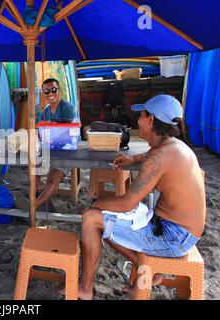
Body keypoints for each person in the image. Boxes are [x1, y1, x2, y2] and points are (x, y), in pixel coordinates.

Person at [78, 94, 206, 300]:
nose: (138, 119)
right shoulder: (174, 147)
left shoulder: (158, 157)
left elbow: (127, 202)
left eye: (141, 115)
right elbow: (153, 156)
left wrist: (96, 204)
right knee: (107, 222)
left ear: (151, 120)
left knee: (91, 218)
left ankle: (85, 288)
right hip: (184, 231)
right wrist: (133, 158)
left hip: (173, 237)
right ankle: (145, 267)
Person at [35, 77, 78, 209]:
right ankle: (43, 193)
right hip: (50, 151)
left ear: (60, 91)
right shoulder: (45, 112)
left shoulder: (68, 108)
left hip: (67, 152)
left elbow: (71, 133)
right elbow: (39, 132)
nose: (51, 94)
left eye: (54, 89)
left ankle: (33, 207)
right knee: (31, 167)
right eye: (47, 91)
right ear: (43, 94)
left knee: (53, 179)